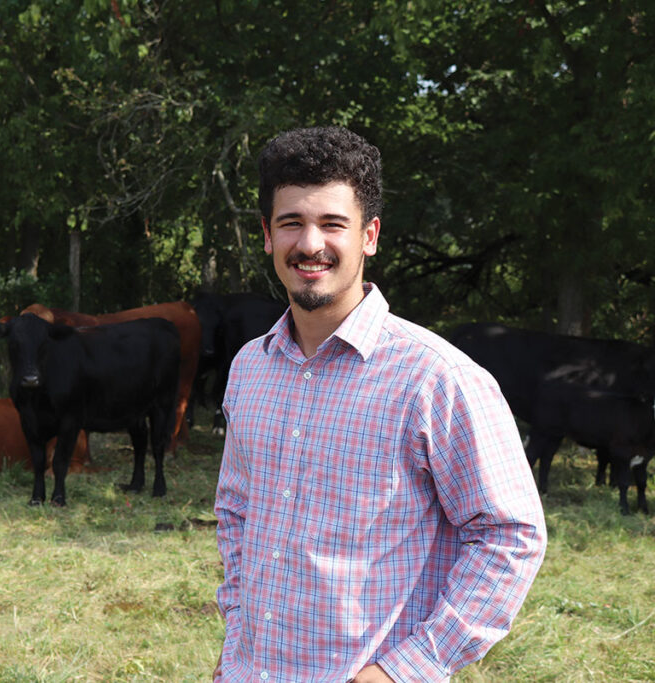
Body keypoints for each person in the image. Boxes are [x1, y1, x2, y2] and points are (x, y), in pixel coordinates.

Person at [213, 126, 547, 682]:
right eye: (292, 222)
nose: (311, 243)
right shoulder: (250, 367)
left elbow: (510, 535)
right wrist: (236, 640)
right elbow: (237, 511)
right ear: (267, 235)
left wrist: (407, 669)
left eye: (333, 224)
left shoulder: (437, 378)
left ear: (369, 236)